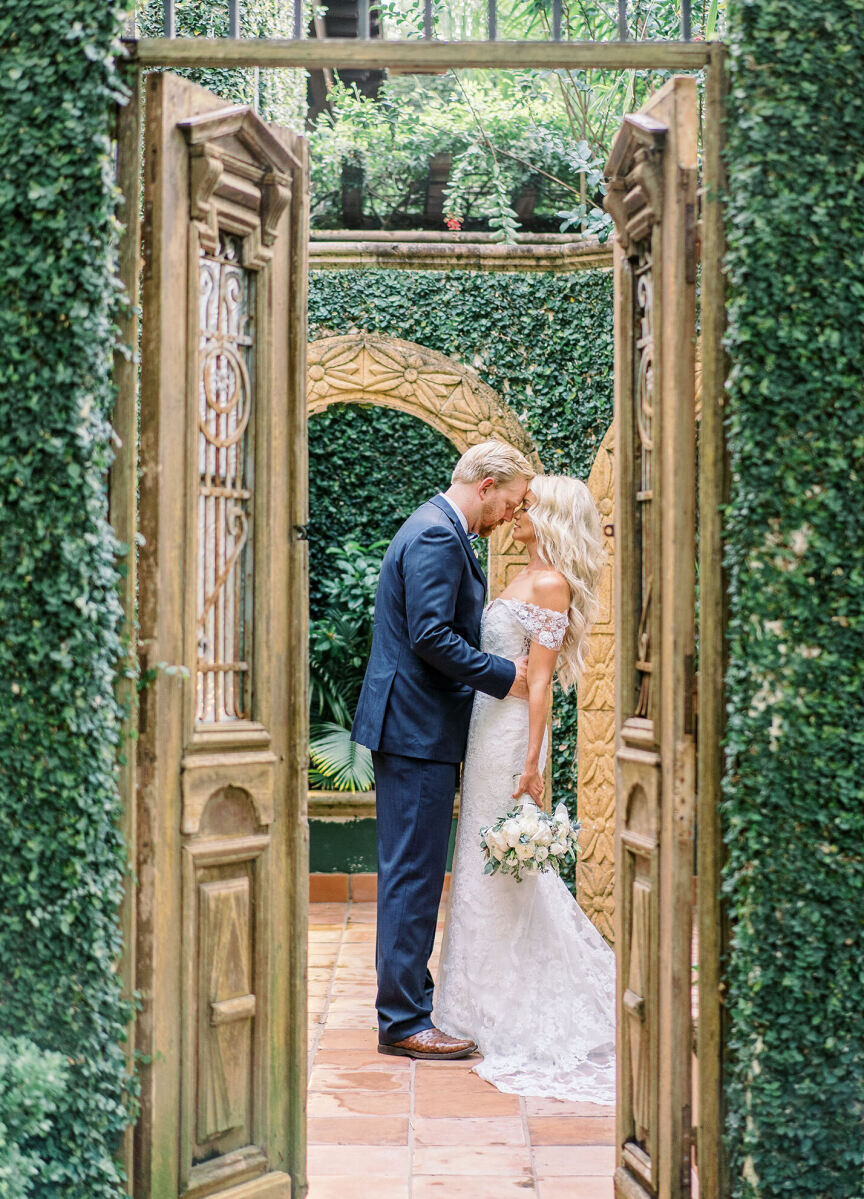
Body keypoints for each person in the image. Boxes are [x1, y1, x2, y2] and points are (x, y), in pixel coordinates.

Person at [434, 474, 617, 1103]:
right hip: (485, 729)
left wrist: (534, 761)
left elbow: (539, 683)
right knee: (480, 862)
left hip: (511, 736)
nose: (517, 515)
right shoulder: (518, 573)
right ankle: (472, 999)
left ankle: (511, 1002)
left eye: (529, 510)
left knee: (504, 867)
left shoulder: (550, 583)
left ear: (553, 519)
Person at [352, 440, 535, 1061]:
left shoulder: (437, 527)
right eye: (509, 502)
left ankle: (409, 1005)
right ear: (485, 485)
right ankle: (403, 1020)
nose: (510, 516)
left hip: (417, 727)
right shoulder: (435, 534)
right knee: (412, 875)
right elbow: (431, 636)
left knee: (415, 872)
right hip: (414, 729)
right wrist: (506, 676)